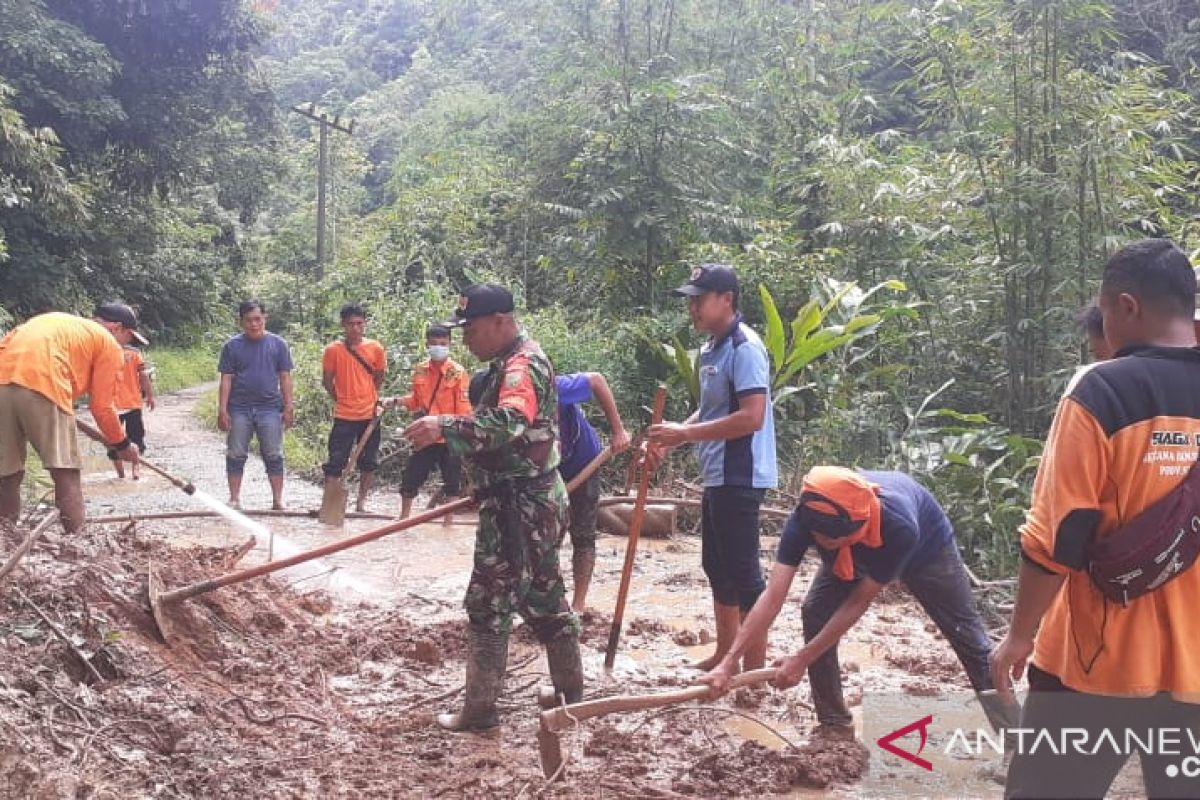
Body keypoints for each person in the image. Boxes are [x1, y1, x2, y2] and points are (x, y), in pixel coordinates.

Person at [990, 240, 1200, 799]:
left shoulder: (1101, 389)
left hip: (1094, 666)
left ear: (1126, 307)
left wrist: (1017, 636)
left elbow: (1055, 537)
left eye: (1104, 310)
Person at [701, 466, 1020, 736]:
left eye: (831, 542)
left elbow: (856, 603)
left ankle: (1018, 744)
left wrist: (801, 658)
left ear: (856, 529)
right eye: (820, 542)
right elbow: (772, 596)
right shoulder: (806, 519)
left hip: (928, 549)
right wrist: (729, 660)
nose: (823, 546)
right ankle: (834, 726)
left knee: (971, 642)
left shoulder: (899, 527)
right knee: (816, 611)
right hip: (857, 544)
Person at [402, 284, 582, 731]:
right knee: (544, 598)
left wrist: (443, 426)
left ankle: (479, 711)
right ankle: (569, 699)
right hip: (528, 501)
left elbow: (509, 422)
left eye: (472, 329)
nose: (465, 341)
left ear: (501, 321)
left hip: (518, 506)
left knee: (488, 603)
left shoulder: (521, 367)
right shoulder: (514, 361)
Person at [646, 263, 777, 672]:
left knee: (744, 574)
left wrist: (685, 436)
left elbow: (751, 416)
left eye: (700, 300)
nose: (693, 309)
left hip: (741, 474)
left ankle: (753, 670)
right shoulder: (710, 349)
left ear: (727, 299)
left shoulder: (744, 347)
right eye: (691, 301)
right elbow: (713, 407)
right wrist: (675, 435)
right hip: (716, 473)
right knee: (715, 566)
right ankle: (725, 654)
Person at [0, 304, 144, 532]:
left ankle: (5, 541)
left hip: (2, 382)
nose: (126, 345)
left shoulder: (54, 321)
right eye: (128, 337)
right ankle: (78, 543)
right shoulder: (108, 343)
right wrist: (123, 445)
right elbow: (102, 407)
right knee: (65, 471)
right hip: (46, 383)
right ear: (116, 328)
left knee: (7, 473)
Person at [556, 371, 631, 611]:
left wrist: (618, 431)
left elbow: (597, 380)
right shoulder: (507, 407)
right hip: (545, 471)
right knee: (545, 540)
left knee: (583, 534)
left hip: (582, 462)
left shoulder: (555, 387)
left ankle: (578, 605)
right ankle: (554, 603)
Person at [217, 300, 294, 510]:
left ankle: (278, 499)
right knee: (235, 453)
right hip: (239, 408)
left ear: (265, 318)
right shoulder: (231, 346)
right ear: (241, 321)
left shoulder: (278, 344)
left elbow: (285, 377)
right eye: (249, 320)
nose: (254, 324)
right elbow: (226, 379)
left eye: (258, 319)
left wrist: (289, 407)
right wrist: (222, 410)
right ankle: (234, 498)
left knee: (273, 454)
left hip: (269, 407)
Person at [393, 324, 471, 521]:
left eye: (443, 343)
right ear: (427, 344)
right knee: (411, 477)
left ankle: (449, 524)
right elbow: (416, 401)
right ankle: (403, 518)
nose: (438, 347)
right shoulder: (420, 370)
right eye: (434, 343)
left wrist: (452, 429)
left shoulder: (458, 373)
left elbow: (464, 410)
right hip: (425, 436)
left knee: (452, 482)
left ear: (450, 344)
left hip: (449, 437)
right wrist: (396, 401)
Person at [321, 304, 386, 513]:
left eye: (359, 324)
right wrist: (340, 399)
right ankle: (331, 505)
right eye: (351, 324)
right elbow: (327, 381)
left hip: (370, 415)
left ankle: (361, 503)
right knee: (335, 461)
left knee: (369, 462)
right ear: (343, 325)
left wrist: (369, 397)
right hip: (344, 415)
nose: (356, 328)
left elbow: (379, 376)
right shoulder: (333, 350)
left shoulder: (375, 348)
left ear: (365, 324)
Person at [109, 341, 155, 480]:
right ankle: (136, 469)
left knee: (112, 440)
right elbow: (143, 376)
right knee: (136, 437)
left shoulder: (103, 351)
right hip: (131, 402)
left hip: (110, 405)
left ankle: (120, 474)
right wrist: (150, 396)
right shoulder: (134, 353)